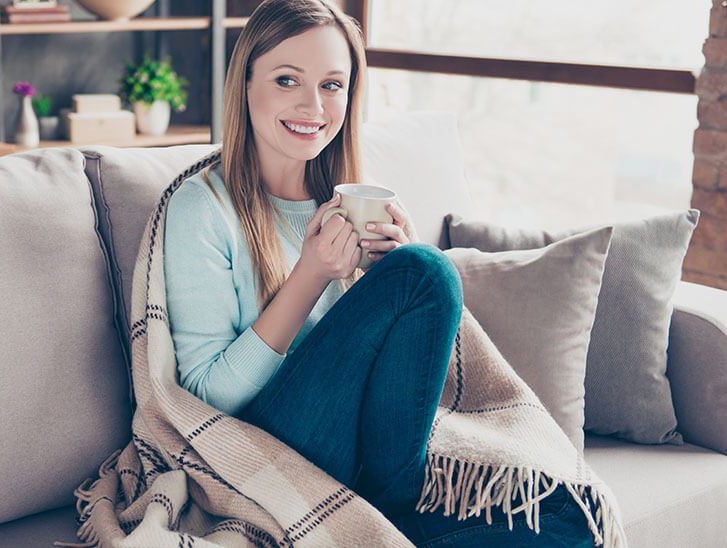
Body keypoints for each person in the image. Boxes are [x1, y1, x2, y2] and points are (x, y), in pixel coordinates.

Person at [163, 0, 597, 546]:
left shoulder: (341, 201)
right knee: (426, 272)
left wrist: (384, 284)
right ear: (245, 83)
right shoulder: (201, 208)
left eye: (332, 85)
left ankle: (388, 524)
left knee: (568, 520)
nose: (312, 104)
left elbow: (376, 372)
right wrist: (313, 275)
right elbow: (208, 399)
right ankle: (393, 514)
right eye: (287, 79)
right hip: (264, 449)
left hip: (368, 454)